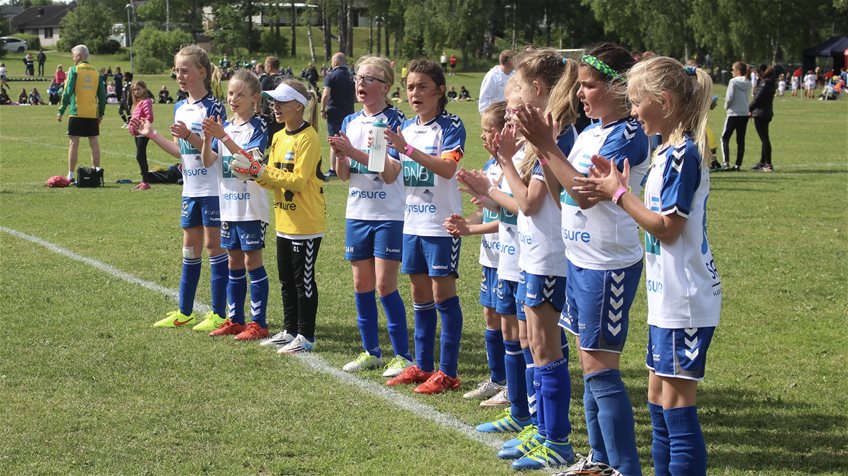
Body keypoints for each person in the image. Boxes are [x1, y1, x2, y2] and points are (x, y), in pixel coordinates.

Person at [573, 57, 721, 476]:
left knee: (676, 406)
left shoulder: (683, 155)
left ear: (665, 101)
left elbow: (668, 229)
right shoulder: (665, 152)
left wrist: (619, 194)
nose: (634, 111)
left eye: (638, 102)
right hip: (667, 295)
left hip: (686, 297)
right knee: (658, 400)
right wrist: (618, 190)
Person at [516, 43, 649, 476]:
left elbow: (585, 195)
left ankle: (624, 467)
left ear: (618, 88)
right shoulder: (591, 131)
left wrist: (547, 146)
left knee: (600, 368)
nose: (580, 93)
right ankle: (599, 460)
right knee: (589, 364)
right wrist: (544, 150)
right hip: (580, 260)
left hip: (607, 264)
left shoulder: (627, 134)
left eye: (589, 86)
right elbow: (563, 195)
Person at [130, 44, 229, 332]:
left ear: (202, 72)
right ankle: (184, 312)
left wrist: (190, 136)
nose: (180, 76)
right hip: (190, 190)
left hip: (212, 189)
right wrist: (152, 134)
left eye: (185, 71)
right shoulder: (179, 107)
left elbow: (216, 153)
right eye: (177, 71)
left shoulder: (214, 107)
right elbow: (181, 153)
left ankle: (218, 314)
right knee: (190, 249)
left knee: (213, 247)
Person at [382, 58, 467, 395]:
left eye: (422, 87)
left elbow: (447, 169)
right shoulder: (405, 126)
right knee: (419, 294)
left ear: (440, 90)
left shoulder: (451, 125)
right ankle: (423, 365)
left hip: (441, 225)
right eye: (410, 87)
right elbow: (392, 175)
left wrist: (407, 148)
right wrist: (375, 154)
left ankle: (448, 372)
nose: (414, 93)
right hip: (412, 223)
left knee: (443, 295)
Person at [325, 55, 413, 376]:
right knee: (361, 284)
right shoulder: (350, 121)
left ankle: (402, 355)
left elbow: (389, 174)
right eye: (359, 78)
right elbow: (343, 175)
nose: (361, 83)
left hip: (388, 214)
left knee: (384, 286)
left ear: (386, 87)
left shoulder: (395, 121)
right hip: (357, 213)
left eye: (369, 79)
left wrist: (352, 151)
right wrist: (340, 155)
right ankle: (371, 351)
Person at [231, 80, 326, 355]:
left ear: (299, 106)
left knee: (303, 282)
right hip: (284, 221)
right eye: (274, 102)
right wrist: (253, 173)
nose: (275, 106)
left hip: (306, 223)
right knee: (286, 280)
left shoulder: (308, 137)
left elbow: (297, 181)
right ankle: (290, 330)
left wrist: (261, 172)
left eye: (282, 102)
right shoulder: (278, 137)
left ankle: (306, 336)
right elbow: (271, 179)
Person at [444, 101, 509, 404]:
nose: (483, 136)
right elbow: (486, 211)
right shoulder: (490, 165)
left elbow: (510, 217)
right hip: (491, 255)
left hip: (511, 256)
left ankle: (513, 384)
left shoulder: (515, 166)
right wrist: (465, 222)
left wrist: (471, 229)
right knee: (490, 315)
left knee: (511, 322)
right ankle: (497, 379)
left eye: (488, 130)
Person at [200, 69, 272, 341]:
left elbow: (250, 162)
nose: (233, 99)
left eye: (240, 94)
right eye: (230, 93)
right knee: (233, 261)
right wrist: (209, 138)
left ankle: (258, 323)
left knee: (252, 261)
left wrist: (222, 137)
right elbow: (208, 161)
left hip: (251, 207)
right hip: (228, 207)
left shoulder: (259, 126)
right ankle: (236, 320)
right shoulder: (226, 127)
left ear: (255, 98)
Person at [57, 45, 107, 182]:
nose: (72, 58)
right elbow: (102, 96)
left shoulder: (74, 70)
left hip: (77, 112)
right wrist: (100, 113)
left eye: (73, 55)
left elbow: (67, 92)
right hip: (92, 113)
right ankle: (97, 172)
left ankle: (70, 175)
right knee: (94, 142)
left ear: (79, 56)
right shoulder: (96, 72)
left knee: (74, 142)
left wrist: (61, 110)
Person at [321, 52, 355, 179]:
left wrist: (322, 109)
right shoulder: (351, 76)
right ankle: (349, 165)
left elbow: (326, 94)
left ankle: (333, 169)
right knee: (347, 139)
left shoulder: (331, 76)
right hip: (349, 111)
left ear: (335, 62)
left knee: (334, 140)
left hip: (334, 111)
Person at [719, 61, 751, 171]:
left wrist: (726, 106)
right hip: (744, 112)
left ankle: (726, 162)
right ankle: (738, 164)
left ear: (738, 71)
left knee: (724, 138)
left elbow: (729, 97)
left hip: (733, 113)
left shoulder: (732, 81)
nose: (732, 72)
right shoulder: (748, 82)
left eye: (733, 70)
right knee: (740, 139)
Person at [126, 80, 154, 190]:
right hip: (137, 133)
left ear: (144, 89)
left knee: (140, 156)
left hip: (143, 132)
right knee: (140, 156)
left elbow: (149, 117)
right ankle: (143, 181)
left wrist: (141, 124)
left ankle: (145, 182)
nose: (136, 91)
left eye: (138, 89)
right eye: (134, 90)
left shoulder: (146, 102)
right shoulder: (138, 102)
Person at [750, 65, 776, 172]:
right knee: (764, 138)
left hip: (761, 113)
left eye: (757, 73)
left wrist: (749, 109)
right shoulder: (770, 82)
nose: (756, 75)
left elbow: (758, 99)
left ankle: (768, 164)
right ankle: (762, 162)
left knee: (765, 139)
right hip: (766, 112)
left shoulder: (765, 83)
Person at [260, 56, 286, 140]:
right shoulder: (284, 80)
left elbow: (260, 97)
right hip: (282, 113)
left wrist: (258, 111)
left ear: (269, 66)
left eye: (265, 65)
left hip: (268, 114)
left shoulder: (266, 80)